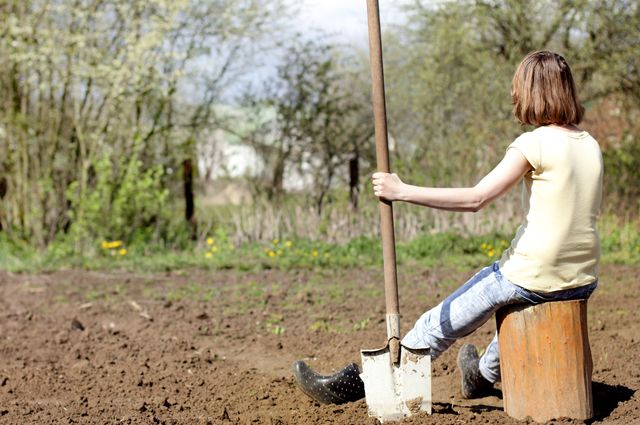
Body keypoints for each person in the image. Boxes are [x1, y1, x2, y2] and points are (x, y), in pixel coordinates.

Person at [292, 50, 603, 404]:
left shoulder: (533, 143)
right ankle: (482, 375)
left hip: (532, 272)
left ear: (531, 92)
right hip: (583, 276)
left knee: (435, 325)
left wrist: (402, 191)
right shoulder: (589, 144)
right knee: (516, 317)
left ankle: (365, 386)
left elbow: (476, 199)